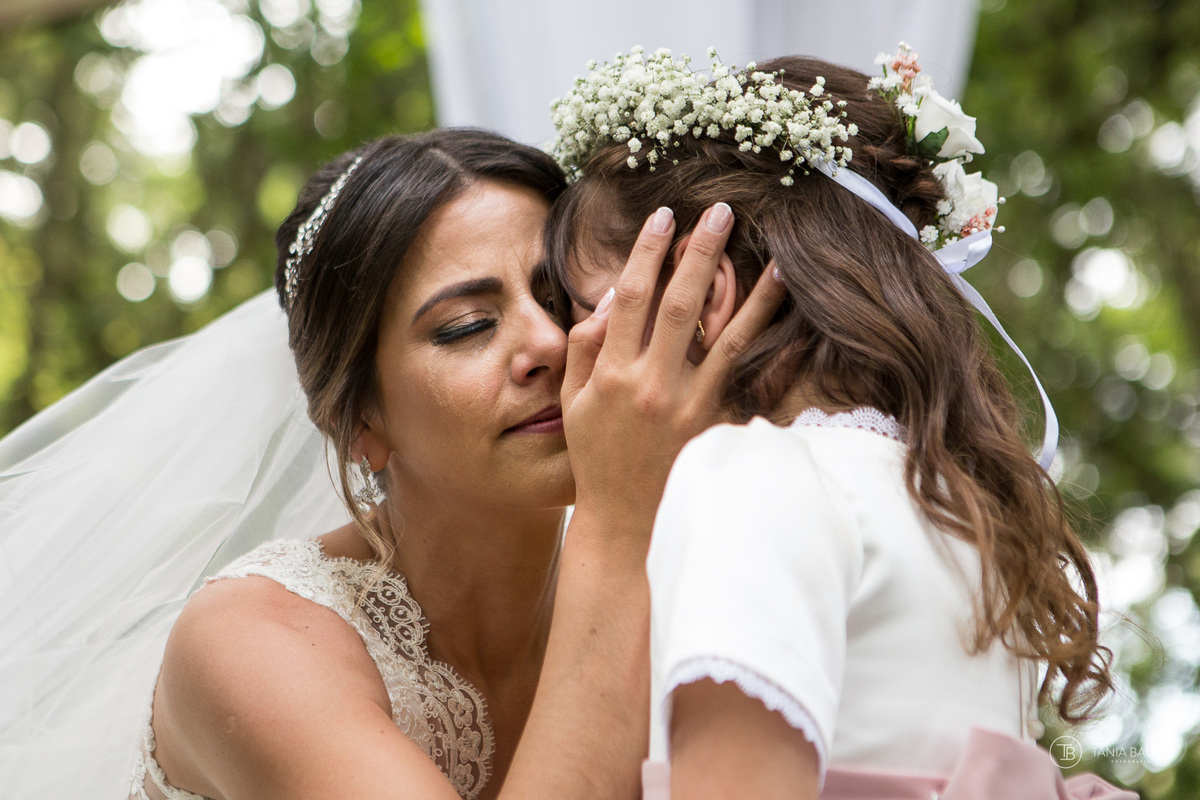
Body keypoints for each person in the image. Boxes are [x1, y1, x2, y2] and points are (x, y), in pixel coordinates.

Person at [0, 128, 785, 799]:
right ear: (359, 424)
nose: (550, 344)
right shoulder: (249, 644)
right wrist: (621, 522)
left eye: (559, 299)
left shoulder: (681, 573)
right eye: (467, 325)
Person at [544, 47, 1131, 798]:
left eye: (589, 315)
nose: (568, 360)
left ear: (704, 300)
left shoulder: (749, 478)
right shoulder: (971, 516)